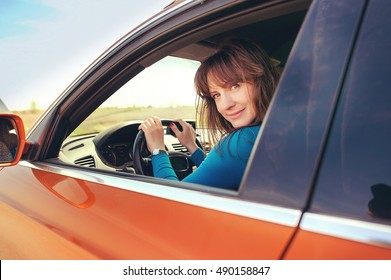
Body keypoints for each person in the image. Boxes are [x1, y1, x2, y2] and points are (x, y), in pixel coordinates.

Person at [138, 39, 280, 189]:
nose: (225, 105)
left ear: (261, 82)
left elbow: (174, 199)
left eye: (234, 86)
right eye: (216, 95)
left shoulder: (243, 141)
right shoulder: (273, 132)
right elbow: (222, 174)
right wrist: (191, 146)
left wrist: (158, 150)